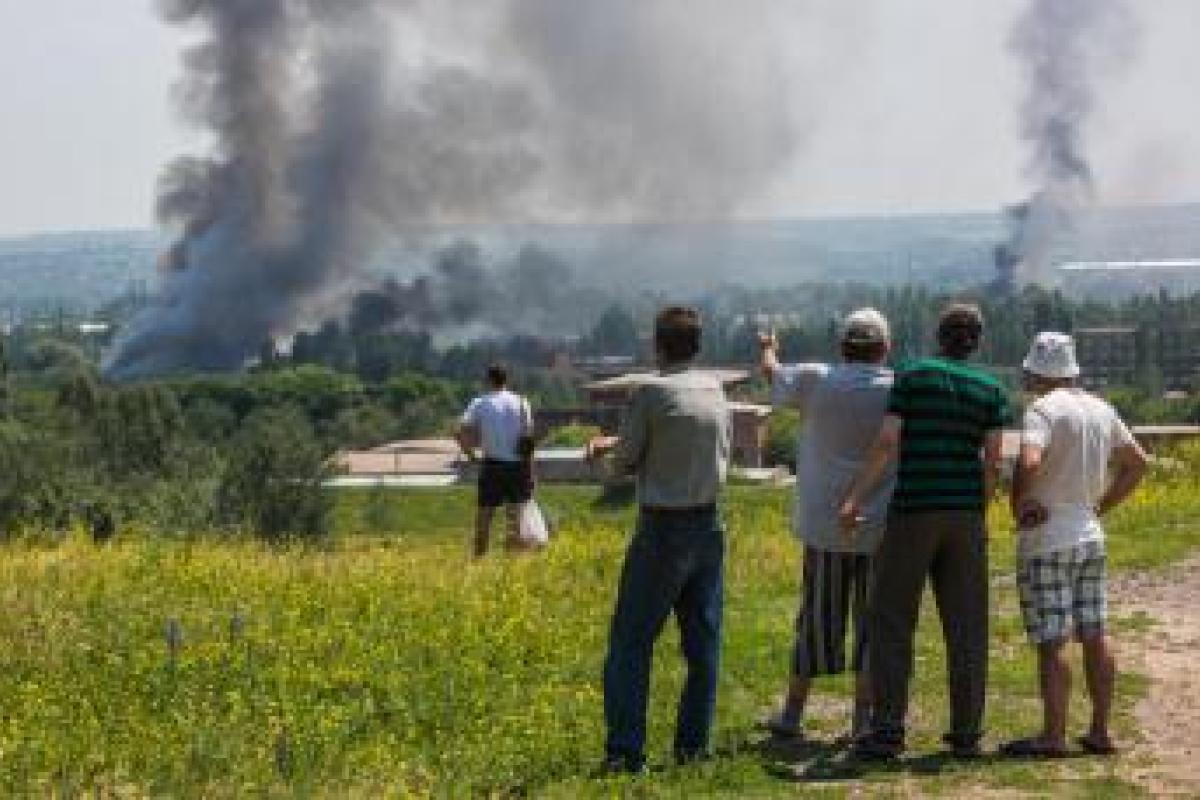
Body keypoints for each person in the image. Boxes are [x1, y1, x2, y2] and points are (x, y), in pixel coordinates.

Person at [839, 303, 1011, 760]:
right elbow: (992, 462)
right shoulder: (992, 389)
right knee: (967, 627)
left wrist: (854, 497)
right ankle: (967, 735)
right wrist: (979, 511)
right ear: (977, 339)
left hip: (914, 511)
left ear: (940, 336)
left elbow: (887, 442)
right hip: (965, 517)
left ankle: (888, 731)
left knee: (892, 621)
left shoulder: (912, 376)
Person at [587, 306, 731, 773]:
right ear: (698, 345)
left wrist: (598, 457)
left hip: (662, 529)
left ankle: (625, 753)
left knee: (631, 642)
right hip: (709, 525)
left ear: (658, 345)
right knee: (702, 647)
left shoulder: (649, 391)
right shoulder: (715, 389)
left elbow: (627, 461)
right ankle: (693, 749)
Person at [1000, 332, 1148, 758]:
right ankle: (1101, 730)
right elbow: (1138, 463)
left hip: (1048, 538)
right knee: (1095, 632)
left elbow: (1029, 460)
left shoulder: (1041, 411)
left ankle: (1053, 735)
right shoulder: (1101, 409)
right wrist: (1101, 505)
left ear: (1035, 372)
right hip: (1089, 533)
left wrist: (1023, 504)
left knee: (1053, 638)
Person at [757, 308, 896, 741]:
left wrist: (768, 345)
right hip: (879, 525)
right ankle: (863, 721)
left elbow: (771, 374)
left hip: (824, 525)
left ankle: (793, 714)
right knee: (873, 624)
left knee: (816, 617)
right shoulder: (898, 389)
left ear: (842, 347)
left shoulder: (817, 379)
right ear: (885, 348)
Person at [456, 363, 535, 557]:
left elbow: (460, 432)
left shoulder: (479, 403)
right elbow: (528, 439)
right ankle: (512, 561)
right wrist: (530, 471)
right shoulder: (522, 402)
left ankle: (479, 558)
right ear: (506, 380)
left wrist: (471, 455)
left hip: (492, 465)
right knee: (515, 518)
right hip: (518, 466)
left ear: (489, 380)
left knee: (484, 515)